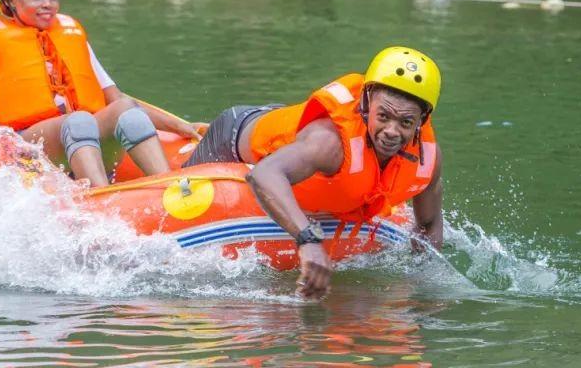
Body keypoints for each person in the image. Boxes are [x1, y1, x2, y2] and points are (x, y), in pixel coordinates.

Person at [183, 46, 444, 298]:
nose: (391, 131)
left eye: (406, 122)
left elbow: (429, 224)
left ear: (422, 121)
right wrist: (307, 240)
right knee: (179, 191)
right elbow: (263, 174)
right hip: (235, 134)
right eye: (384, 116)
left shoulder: (426, 159)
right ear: (366, 103)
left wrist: (421, 284)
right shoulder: (330, 144)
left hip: (291, 132)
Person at [0, 0, 201, 187]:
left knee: (124, 108)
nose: (48, 4)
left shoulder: (71, 34)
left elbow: (115, 98)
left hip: (80, 135)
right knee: (79, 121)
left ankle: (169, 186)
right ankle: (100, 196)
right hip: (29, 146)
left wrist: (180, 125)